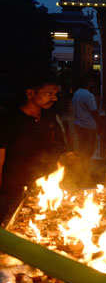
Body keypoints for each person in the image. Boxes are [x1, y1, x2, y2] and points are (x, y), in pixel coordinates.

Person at [0, 75, 70, 217]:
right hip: (14, 188)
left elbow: (57, 148)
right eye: (49, 94)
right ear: (30, 93)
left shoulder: (50, 117)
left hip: (45, 187)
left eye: (55, 94)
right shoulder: (10, 120)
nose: (54, 98)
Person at [71, 76, 98, 163]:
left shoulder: (76, 93)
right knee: (89, 149)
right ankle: (85, 166)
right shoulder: (88, 95)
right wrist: (100, 123)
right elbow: (94, 111)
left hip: (79, 124)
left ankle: (82, 167)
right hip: (88, 125)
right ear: (88, 83)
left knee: (81, 148)